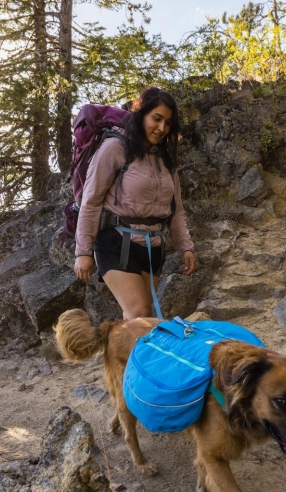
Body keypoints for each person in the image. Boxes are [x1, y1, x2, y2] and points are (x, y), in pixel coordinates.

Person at [73, 87, 196, 320]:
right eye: (156, 119)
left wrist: (186, 247)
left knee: (141, 319)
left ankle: (121, 357)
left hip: (154, 246)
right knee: (140, 315)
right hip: (116, 242)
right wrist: (83, 252)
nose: (161, 128)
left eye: (168, 123)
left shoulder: (166, 158)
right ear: (141, 115)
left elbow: (176, 210)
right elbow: (91, 202)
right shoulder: (115, 148)